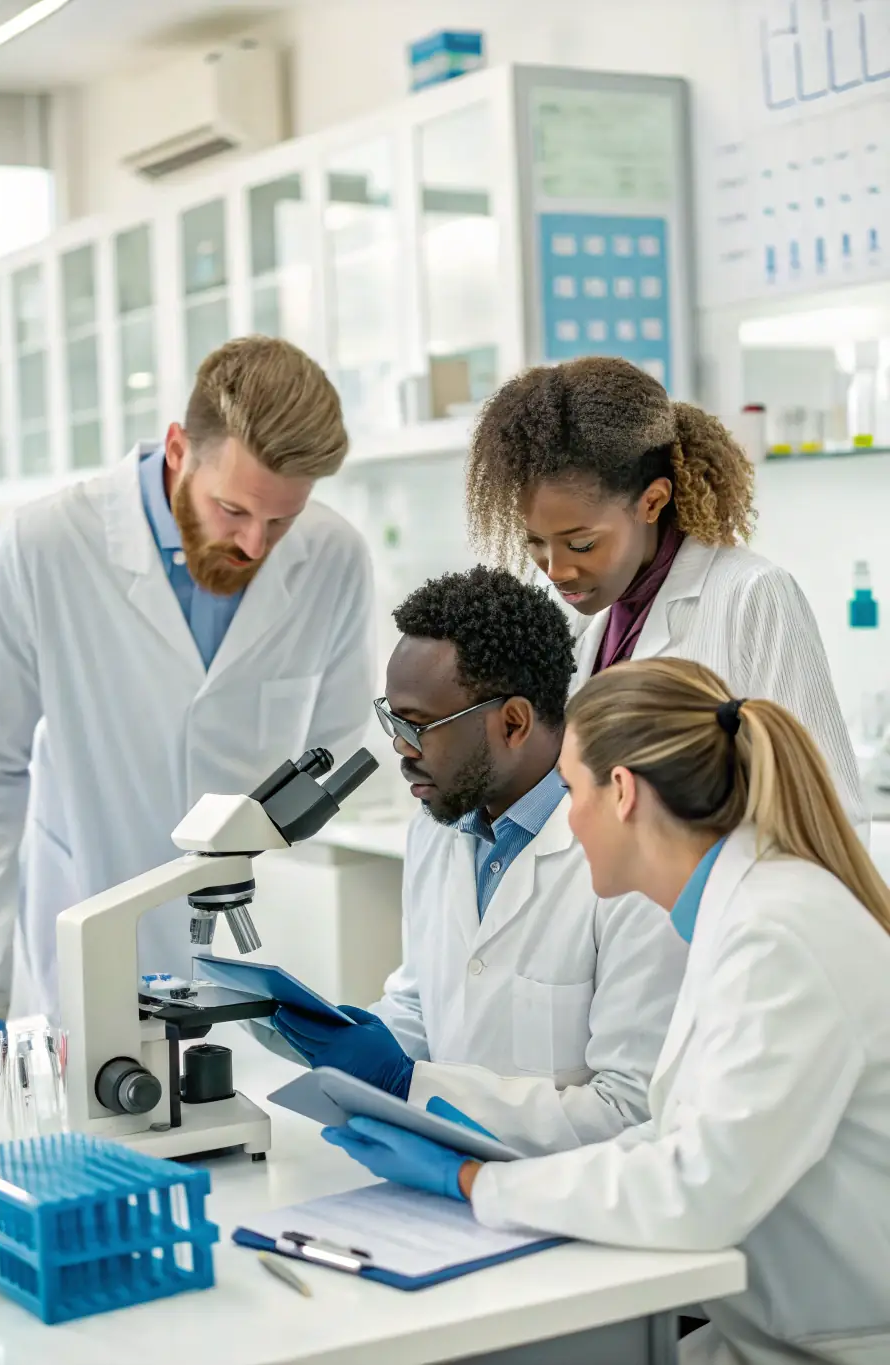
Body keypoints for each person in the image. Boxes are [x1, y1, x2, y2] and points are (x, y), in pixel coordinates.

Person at [323, 658, 890, 1365]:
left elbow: (697, 1186)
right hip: (764, 1326)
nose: (566, 818)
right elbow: (672, 1139)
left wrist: (472, 1182)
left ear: (621, 792)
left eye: (568, 789)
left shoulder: (776, 933)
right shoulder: (745, 910)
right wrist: (478, 1163)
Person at [0, 337, 376, 1062]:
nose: (255, 545)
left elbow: (328, 746)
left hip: (244, 938)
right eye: (232, 509)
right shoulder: (45, 545)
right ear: (178, 449)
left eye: (281, 522)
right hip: (86, 906)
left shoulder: (335, 557)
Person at [270, 567, 688, 1154]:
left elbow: (633, 1109)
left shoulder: (629, 861)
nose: (399, 748)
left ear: (513, 721)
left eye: (418, 726)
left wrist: (409, 1083)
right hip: (455, 1183)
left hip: (572, 1203)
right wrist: (357, 1041)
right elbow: (424, 1005)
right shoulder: (438, 828)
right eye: (393, 721)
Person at [465, 356, 863, 826]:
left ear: (651, 501)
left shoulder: (751, 596)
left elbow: (831, 811)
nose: (556, 570)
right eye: (534, 542)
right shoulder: (556, 601)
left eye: (581, 544)